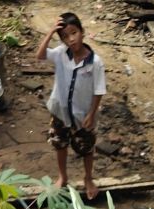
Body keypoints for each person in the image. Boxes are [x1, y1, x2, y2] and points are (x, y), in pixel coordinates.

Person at [35, 12, 106, 199]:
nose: (71, 39)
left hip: (83, 115)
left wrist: (92, 113)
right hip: (59, 111)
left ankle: (88, 178)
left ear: (82, 32)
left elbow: (99, 91)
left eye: (74, 33)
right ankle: (63, 177)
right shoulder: (60, 53)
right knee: (60, 144)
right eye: (65, 36)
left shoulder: (95, 63)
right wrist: (51, 32)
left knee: (86, 148)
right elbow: (40, 55)